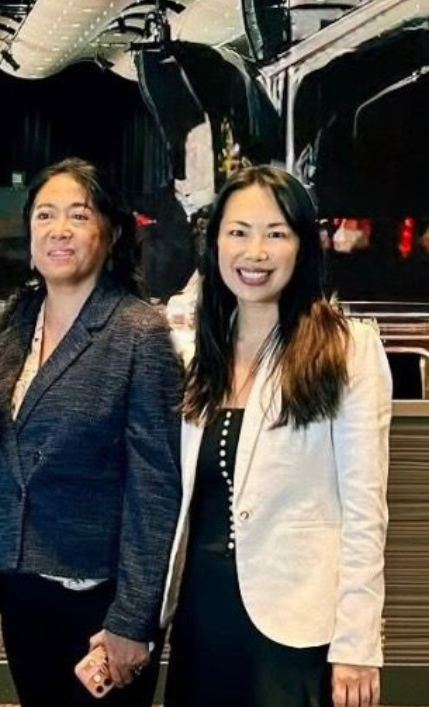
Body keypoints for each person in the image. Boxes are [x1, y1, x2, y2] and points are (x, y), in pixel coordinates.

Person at [162, 165, 392, 707]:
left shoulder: (349, 348)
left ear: (303, 246)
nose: (255, 252)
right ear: (214, 241)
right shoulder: (197, 352)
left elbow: (365, 511)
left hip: (296, 620)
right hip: (202, 610)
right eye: (238, 232)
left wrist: (358, 642)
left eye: (276, 233)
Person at [0, 158, 183, 707]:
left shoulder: (139, 331)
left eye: (77, 215)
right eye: (45, 215)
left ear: (110, 234)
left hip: (100, 600)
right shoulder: (18, 319)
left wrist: (134, 618)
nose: (58, 229)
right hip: (22, 584)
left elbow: (156, 488)